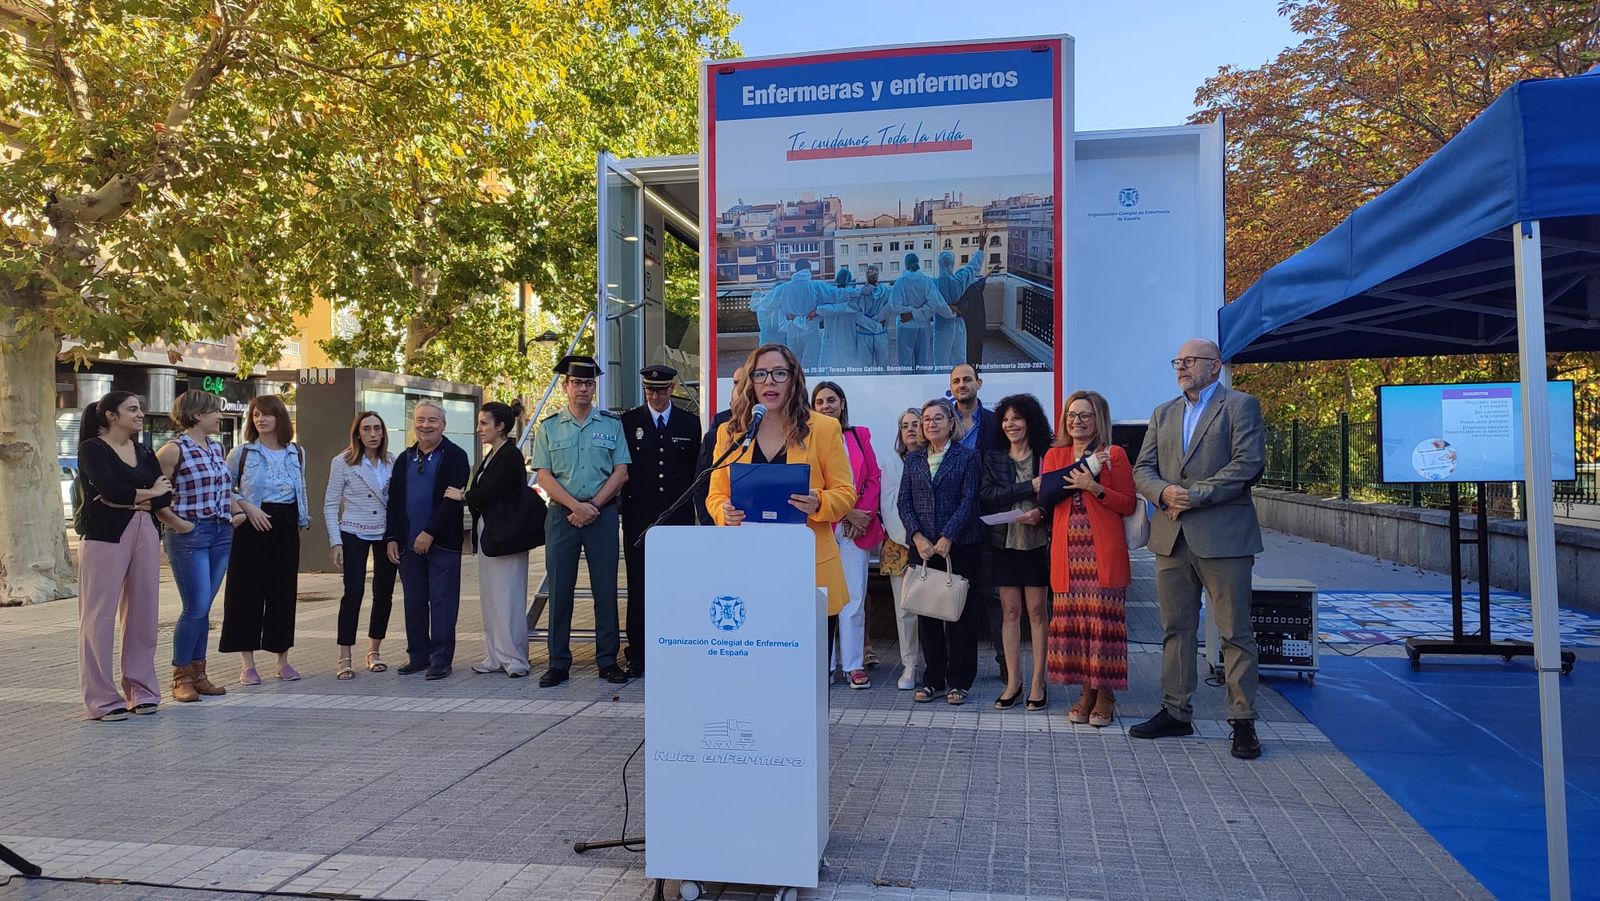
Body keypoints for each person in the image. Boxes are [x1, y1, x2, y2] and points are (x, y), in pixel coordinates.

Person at [1131, 339, 1267, 759]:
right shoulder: (1163, 412)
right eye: (1178, 361)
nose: (1181, 367)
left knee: (1234, 631)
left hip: (1224, 538)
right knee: (1176, 628)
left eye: (1190, 361)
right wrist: (1163, 492)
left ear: (1215, 366)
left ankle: (1242, 721)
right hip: (1171, 537)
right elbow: (1142, 469)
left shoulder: (1240, 406)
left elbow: (1248, 464)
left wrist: (1195, 495)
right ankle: (1176, 711)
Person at [706, 343, 856, 641]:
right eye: (760, 374)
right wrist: (723, 512)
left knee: (810, 663)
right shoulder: (731, 432)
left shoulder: (824, 428)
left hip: (808, 568)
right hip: (748, 568)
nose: (769, 382)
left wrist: (818, 501)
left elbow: (845, 493)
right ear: (750, 381)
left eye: (779, 373)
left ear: (793, 379)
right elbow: (715, 494)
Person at [530, 354, 632, 687]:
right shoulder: (549, 427)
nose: (583, 388)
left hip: (602, 515)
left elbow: (621, 472)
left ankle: (608, 660)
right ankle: (558, 662)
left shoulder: (611, 425)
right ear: (565, 386)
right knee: (560, 590)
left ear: (594, 388)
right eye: (577, 383)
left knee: (605, 589)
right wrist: (576, 506)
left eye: (589, 383)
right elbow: (544, 476)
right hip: (562, 515)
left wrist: (593, 506)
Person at [1038, 391, 1136, 723]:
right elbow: (1047, 495)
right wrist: (1083, 473)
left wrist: (1094, 487)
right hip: (1068, 553)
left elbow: (1128, 503)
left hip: (1102, 553)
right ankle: (1085, 691)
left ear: (1098, 419)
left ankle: (1105, 694)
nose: (1076, 421)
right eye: (1071, 414)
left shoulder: (1114, 454)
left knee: (1103, 624)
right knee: (1076, 624)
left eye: (1084, 415)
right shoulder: (1056, 454)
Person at [76, 392, 171, 721]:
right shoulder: (93, 449)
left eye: (140, 408)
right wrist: (148, 493)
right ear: (110, 415)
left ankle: (142, 691)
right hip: (105, 535)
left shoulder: (144, 451)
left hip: (145, 531)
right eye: (132, 409)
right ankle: (102, 700)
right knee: (98, 616)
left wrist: (135, 499)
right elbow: (109, 490)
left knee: (144, 612)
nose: (140, 414)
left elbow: (163, 498)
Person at [897, 397, 985, 705]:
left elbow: (969, 500)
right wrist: (917, 536)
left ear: (951, 422)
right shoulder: (913, 459)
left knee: (961, 615)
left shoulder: (968, 456)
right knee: (927, 614)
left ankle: (959, 681)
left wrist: (949, 535)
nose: (931, 424)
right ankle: (933, 679)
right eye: (926, 419)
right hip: (922, 548)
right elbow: (904, 502)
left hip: (960, 546)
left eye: (938, 418)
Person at [220, 394, 311, 685]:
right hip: (252, 523)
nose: (261, 419)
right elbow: (223, 487)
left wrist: (301, 520)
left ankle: (282, 659)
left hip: (286, 524)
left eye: (267, 414)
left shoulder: (297, 452)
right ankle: (247, 663)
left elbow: (300, 488)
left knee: (283, 592)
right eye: (256, 415)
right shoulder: (242, 453)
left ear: (279, 417)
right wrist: (247, 507)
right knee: (245, 592)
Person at [156, 389, 238, 702]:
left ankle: (199, 673)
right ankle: (181, 676)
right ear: (197, 415)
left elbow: (224, 490)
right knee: (196, 607)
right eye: (215, 411)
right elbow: (157, 497)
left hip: (220, 532)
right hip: (190, 534)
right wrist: (179, 525)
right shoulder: (172, 450)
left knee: (204, 609)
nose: (220, 416)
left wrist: (238, 513)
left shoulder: (216, 448)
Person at [619, 364, 701, 677]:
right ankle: (638, 653)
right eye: (650, 390)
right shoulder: (629, 422)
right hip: (640, 518)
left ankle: (675, 648)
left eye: (662, 390)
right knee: (639, 585)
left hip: (677, 518)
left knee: (676, 586)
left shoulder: (689, 423)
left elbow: (695, 472)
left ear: (672, 389)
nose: (656, 396)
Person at [385, 400, 471, 681]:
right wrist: (392, 537)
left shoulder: (455, 456)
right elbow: (395, 501)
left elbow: (451, 501)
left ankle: (441, 660)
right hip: (408, 545)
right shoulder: (404, 458)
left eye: (432, 420)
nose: (426, 425)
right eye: (420, 420)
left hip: (442, 543)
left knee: (443, 602)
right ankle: (418, 656)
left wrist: (429, 533)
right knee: (414, 601)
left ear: (443, 425)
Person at [980, 393, 1053, 710]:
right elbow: (988, 494)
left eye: (1017, 418)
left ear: (1030, 421)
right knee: (1009, 612)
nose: (1010, 424)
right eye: (1006, 419)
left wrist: (1042, 513)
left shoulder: (1047, 455)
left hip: (1037, 543)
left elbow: (1058, 494)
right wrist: (1028, 487)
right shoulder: (993, 457)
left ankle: (1038, 682)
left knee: (1037, 612)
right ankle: (1013, 682)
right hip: (1004, 542)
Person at [450, 401, 531, 678]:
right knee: (491, 596)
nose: (479, 428)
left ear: (501, 426)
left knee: (508, 595)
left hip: (506, 534)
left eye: (484, 423)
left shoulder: (510, 455)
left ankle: (514, 658)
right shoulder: (492, 455)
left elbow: (494, 490)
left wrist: (463, 496)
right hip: (491, 532)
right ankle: (495, 655)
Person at [811, 381, 884, 689]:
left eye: (831, 400)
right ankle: (824, 665)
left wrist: (862, 516)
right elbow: (812, 486)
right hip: (822, 527)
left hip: (856, 530)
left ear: (842, 404)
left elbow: (873, 478)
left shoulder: (858, 436)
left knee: (854, 598)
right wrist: (846, 513)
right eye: (819, 402)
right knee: (822, 598)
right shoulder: (807, 439)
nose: (826, 406)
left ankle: (853, 665)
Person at [324, 411, 397, 679]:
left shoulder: (391, 461)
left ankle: (374, 651)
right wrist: (335, 541)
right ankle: (344, 656)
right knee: (353, 591)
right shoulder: (342, 462)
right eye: (367, 429)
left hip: (385, 532)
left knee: (384, 592)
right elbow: (330, 503)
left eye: (377, 428)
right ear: (357, 433)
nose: (373, 434)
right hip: (353, 530)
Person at [949, 363, 1005, 681]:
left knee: (993, 595)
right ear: (951, 387)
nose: (962, 384)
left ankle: (1005, 662)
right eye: (956, 380)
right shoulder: (942, 420)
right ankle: (950, 665)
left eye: (967, 379)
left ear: (979, 383)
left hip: (987, 518)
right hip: (950, 522)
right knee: (949, 595)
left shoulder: (995, 422)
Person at [879, 408, 926, 690]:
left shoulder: (935, 458)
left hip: (934, 545)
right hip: (901, 544)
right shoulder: (892, 462)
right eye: (905, 425)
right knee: (904, 609)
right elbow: (887, 504)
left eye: (915, 424)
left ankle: (937, 662)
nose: (910, 429)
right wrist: (909, 539)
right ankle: (910, 664)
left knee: (936, 606)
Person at [694, 365, 745, 525]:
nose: (741, 389)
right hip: (725, 525)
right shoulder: (721, 430)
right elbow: (703, 484)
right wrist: (712, 524)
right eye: (736, 383)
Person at [886, 252, 950, 369]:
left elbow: (894, 306)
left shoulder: (900, 282)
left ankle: (908, 381)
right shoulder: (926, 281)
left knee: (905, 364)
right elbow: (934, 304)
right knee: (923, 363)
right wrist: (919, 312)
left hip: (905, 326)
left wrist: (911, 313)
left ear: (906, 265)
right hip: (923, 326)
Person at [932, 232, 987, 366]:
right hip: (959, 324)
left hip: (942, 326)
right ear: (952, 263)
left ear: (939, 264)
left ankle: (941, 379)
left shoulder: (933, 283)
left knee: (940, 360)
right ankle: (962, 378)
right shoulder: (960, 280)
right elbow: (973, 267)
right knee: (960, 359)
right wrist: (981, 247)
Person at [768, 259, 826, 371]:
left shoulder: (784, 287)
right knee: (811, 363)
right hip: (811, 331)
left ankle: (796, 382)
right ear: (808, 269)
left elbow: (768, 303)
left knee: (793, 363)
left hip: (792, 330)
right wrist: (817, 311)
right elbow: (834, 298)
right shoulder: (815, 286)